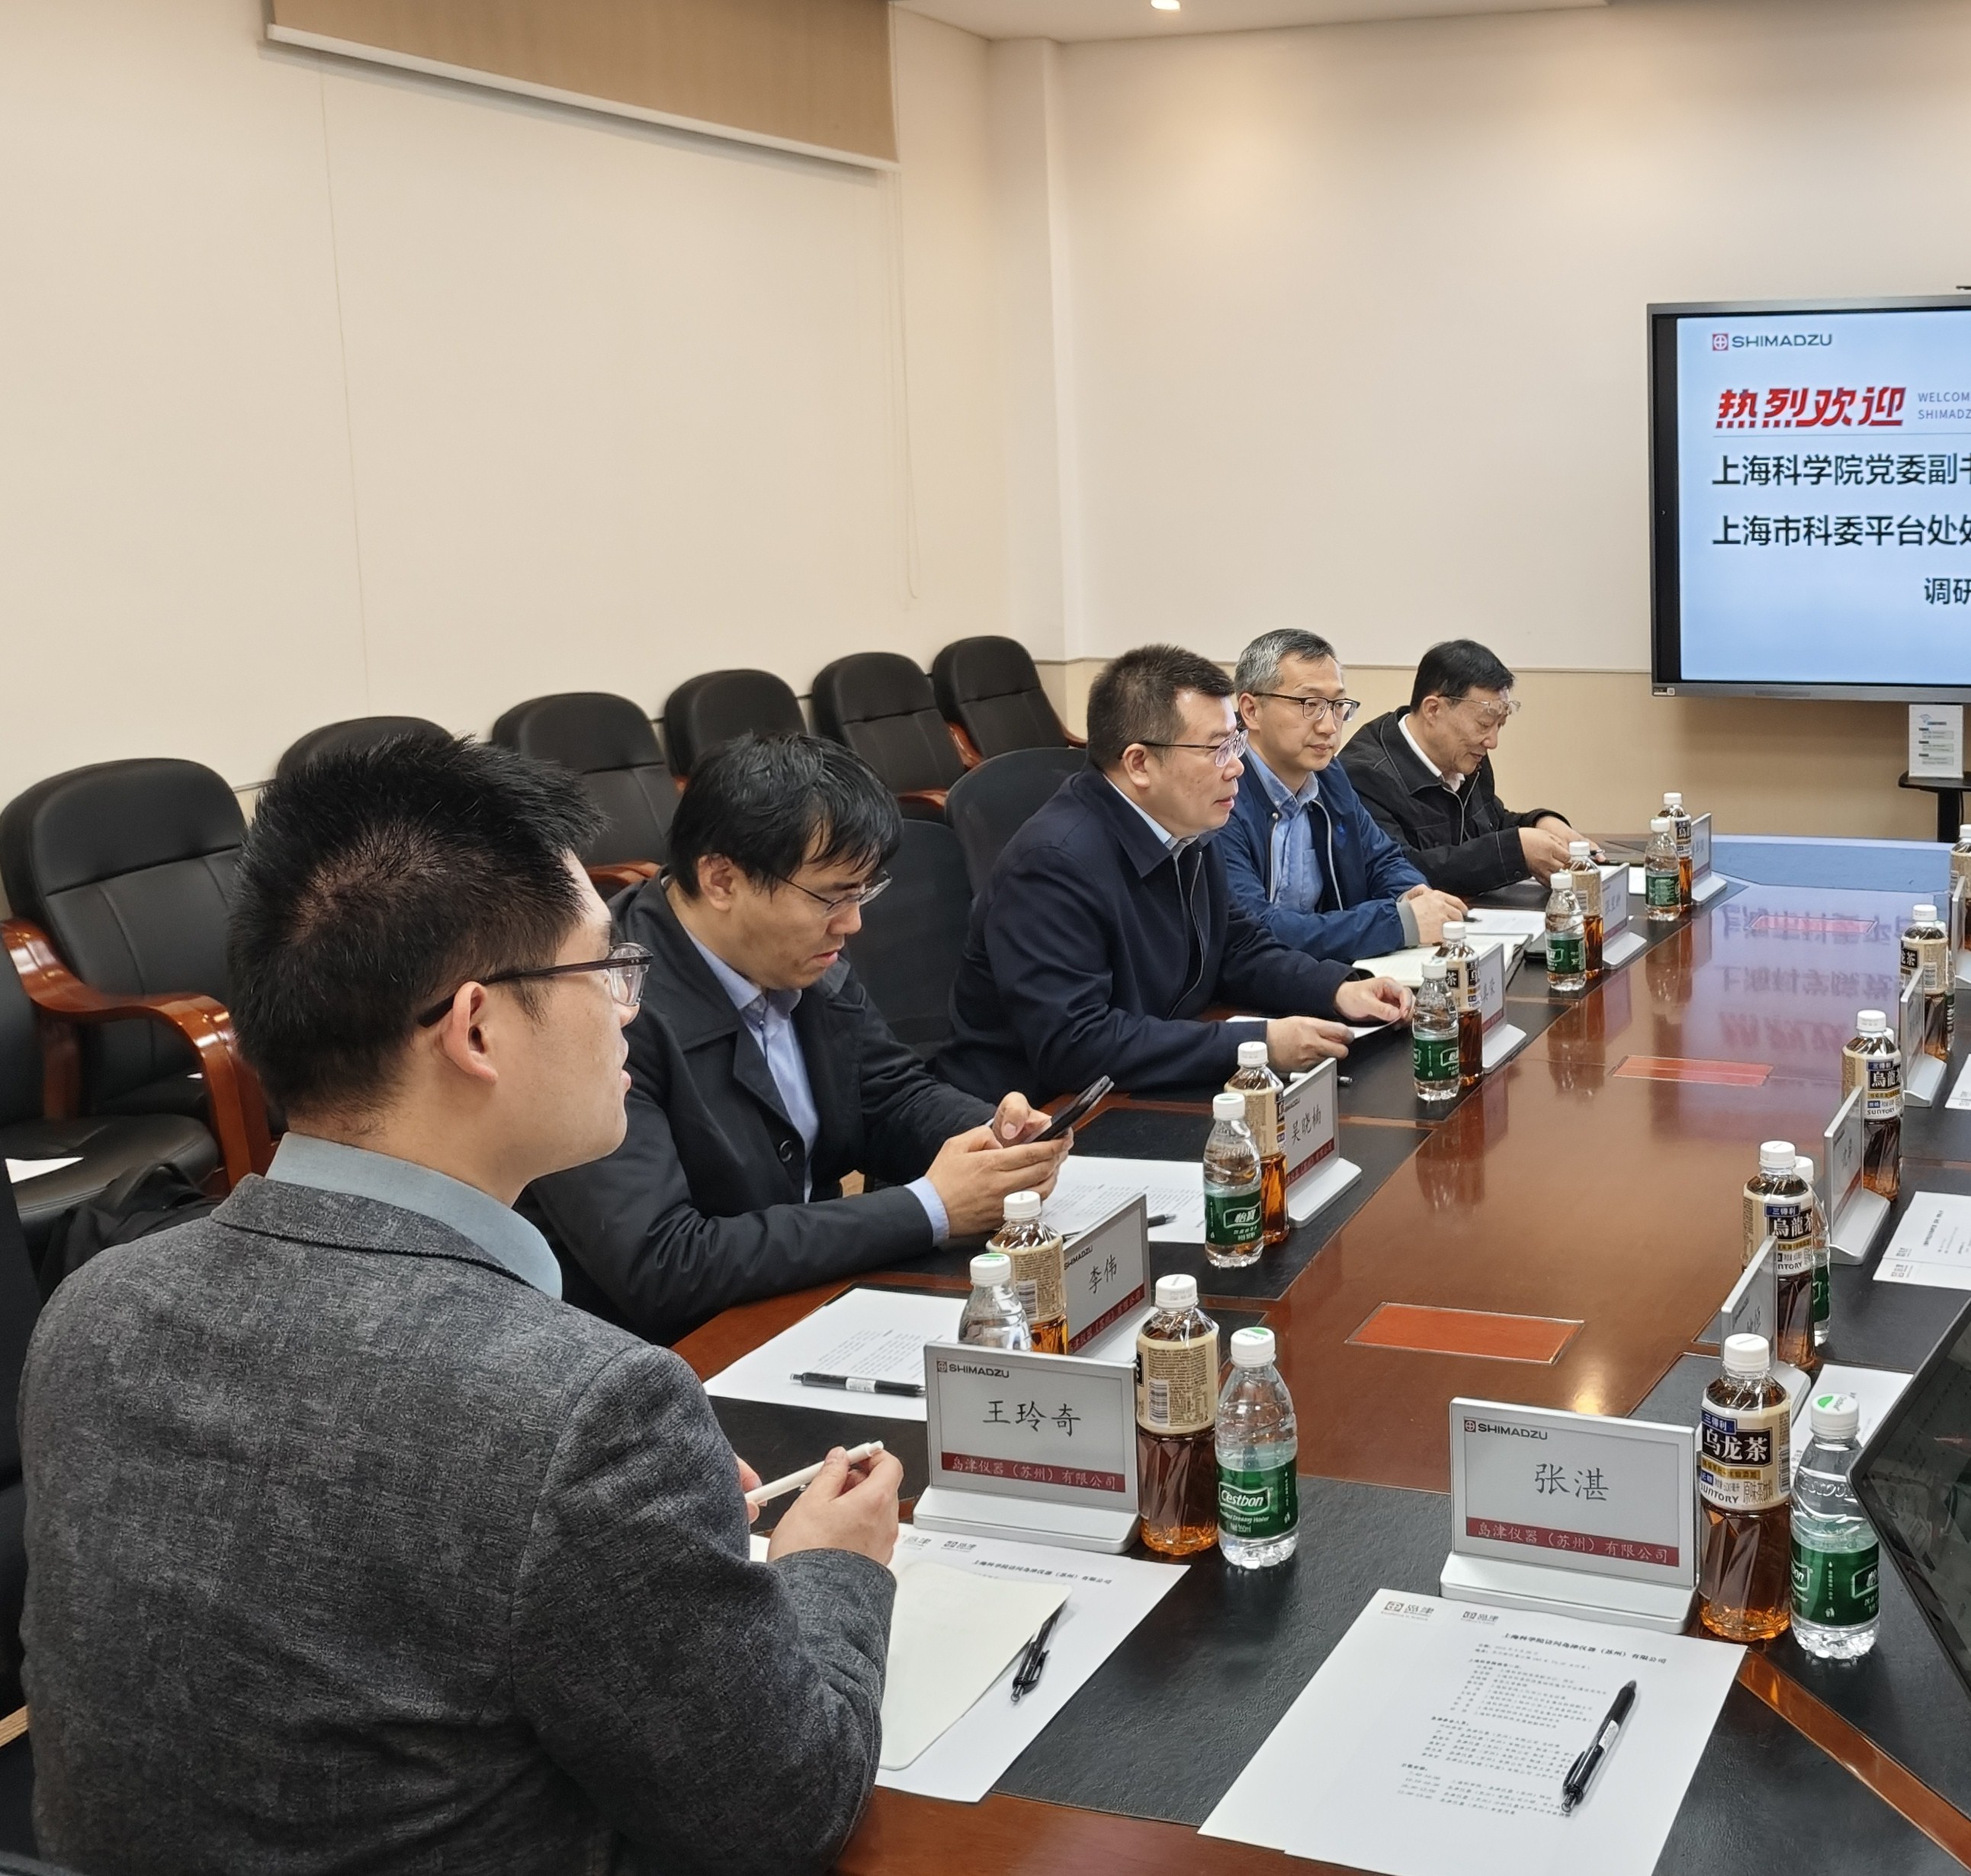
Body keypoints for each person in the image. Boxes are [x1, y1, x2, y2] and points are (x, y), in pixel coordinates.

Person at [21, 734, 900, 1874]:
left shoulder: (92, 1309)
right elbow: (785, 1810)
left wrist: (632, 1530)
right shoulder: (587, 1407)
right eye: (606, 972)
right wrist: (833, 1565)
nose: (629, 1012)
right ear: (478, 1028)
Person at [524, 734, 1073, 1344]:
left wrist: (996, 1139)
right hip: (674, 1352)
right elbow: (664, 1263)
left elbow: (887, 1096)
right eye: (832, 897)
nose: (852, 922)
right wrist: (929, 1209)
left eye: (862, 892)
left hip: (805, 1299)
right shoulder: (603, 1012)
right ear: (722, 880)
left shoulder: (796, 954)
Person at [939, 643, 1413, 1098]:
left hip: (1148, 1076)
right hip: (1035, 1115)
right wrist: (1257, 1044)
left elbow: (1237, 947)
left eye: (1236, 742)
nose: (1237, 767)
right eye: (1217, 749)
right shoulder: (1052, 865)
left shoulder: (1187, 827)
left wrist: (1336, 988)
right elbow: (1077, 1044)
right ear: (1139, 764)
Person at [1217, 628, 1471, 962]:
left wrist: (1413, 894)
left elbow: (1382, 859)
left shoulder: (1329, 776)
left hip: (1321, 971)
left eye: (1337, 705)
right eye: (1310, 704)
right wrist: (1398, 923)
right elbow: (1254, 928)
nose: (1329, 726)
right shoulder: (1222, 791)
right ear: (1251, 711)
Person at [1340, 638, 1585, 897]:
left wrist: (1541, 823)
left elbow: (1490, 824)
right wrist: (1516, 851)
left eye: (1499, 726)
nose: (1492, 742)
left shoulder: (1466, 757)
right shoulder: (1365, 775)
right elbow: (1401, 871)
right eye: (1484, 725)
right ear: (1433, 710)